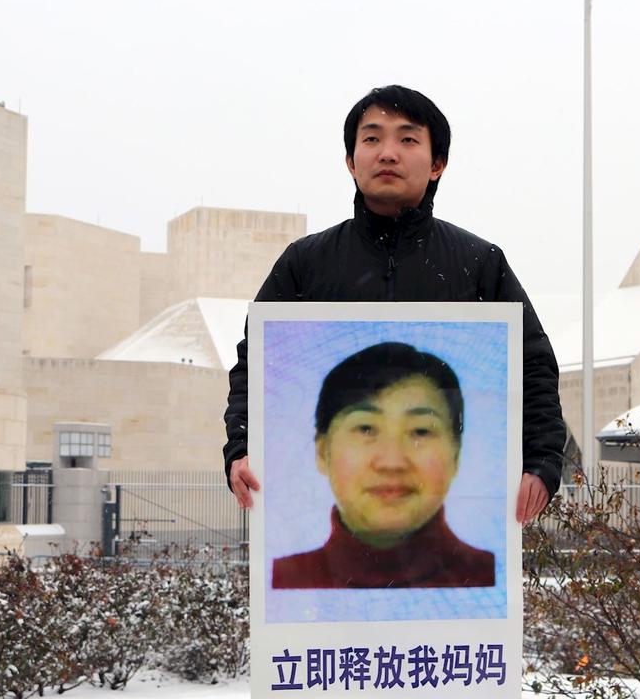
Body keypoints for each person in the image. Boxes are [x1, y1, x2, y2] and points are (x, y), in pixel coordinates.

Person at [224, 84, 565, 525]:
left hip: (469, 524)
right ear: (351, 161)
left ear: (437, 163)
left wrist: (541, 462)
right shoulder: (305, 263)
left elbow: (532, 364)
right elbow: (256, 363)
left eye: (407, 139)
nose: (387, 153)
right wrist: (241, 448)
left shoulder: (479, 263)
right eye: (371, 139)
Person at [272, 342, 494, 589]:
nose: (392, 462)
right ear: (322, 451)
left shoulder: (491, 579)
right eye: (366, 428)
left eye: (420, 431)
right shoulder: (283, 582)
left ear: (456, 454)